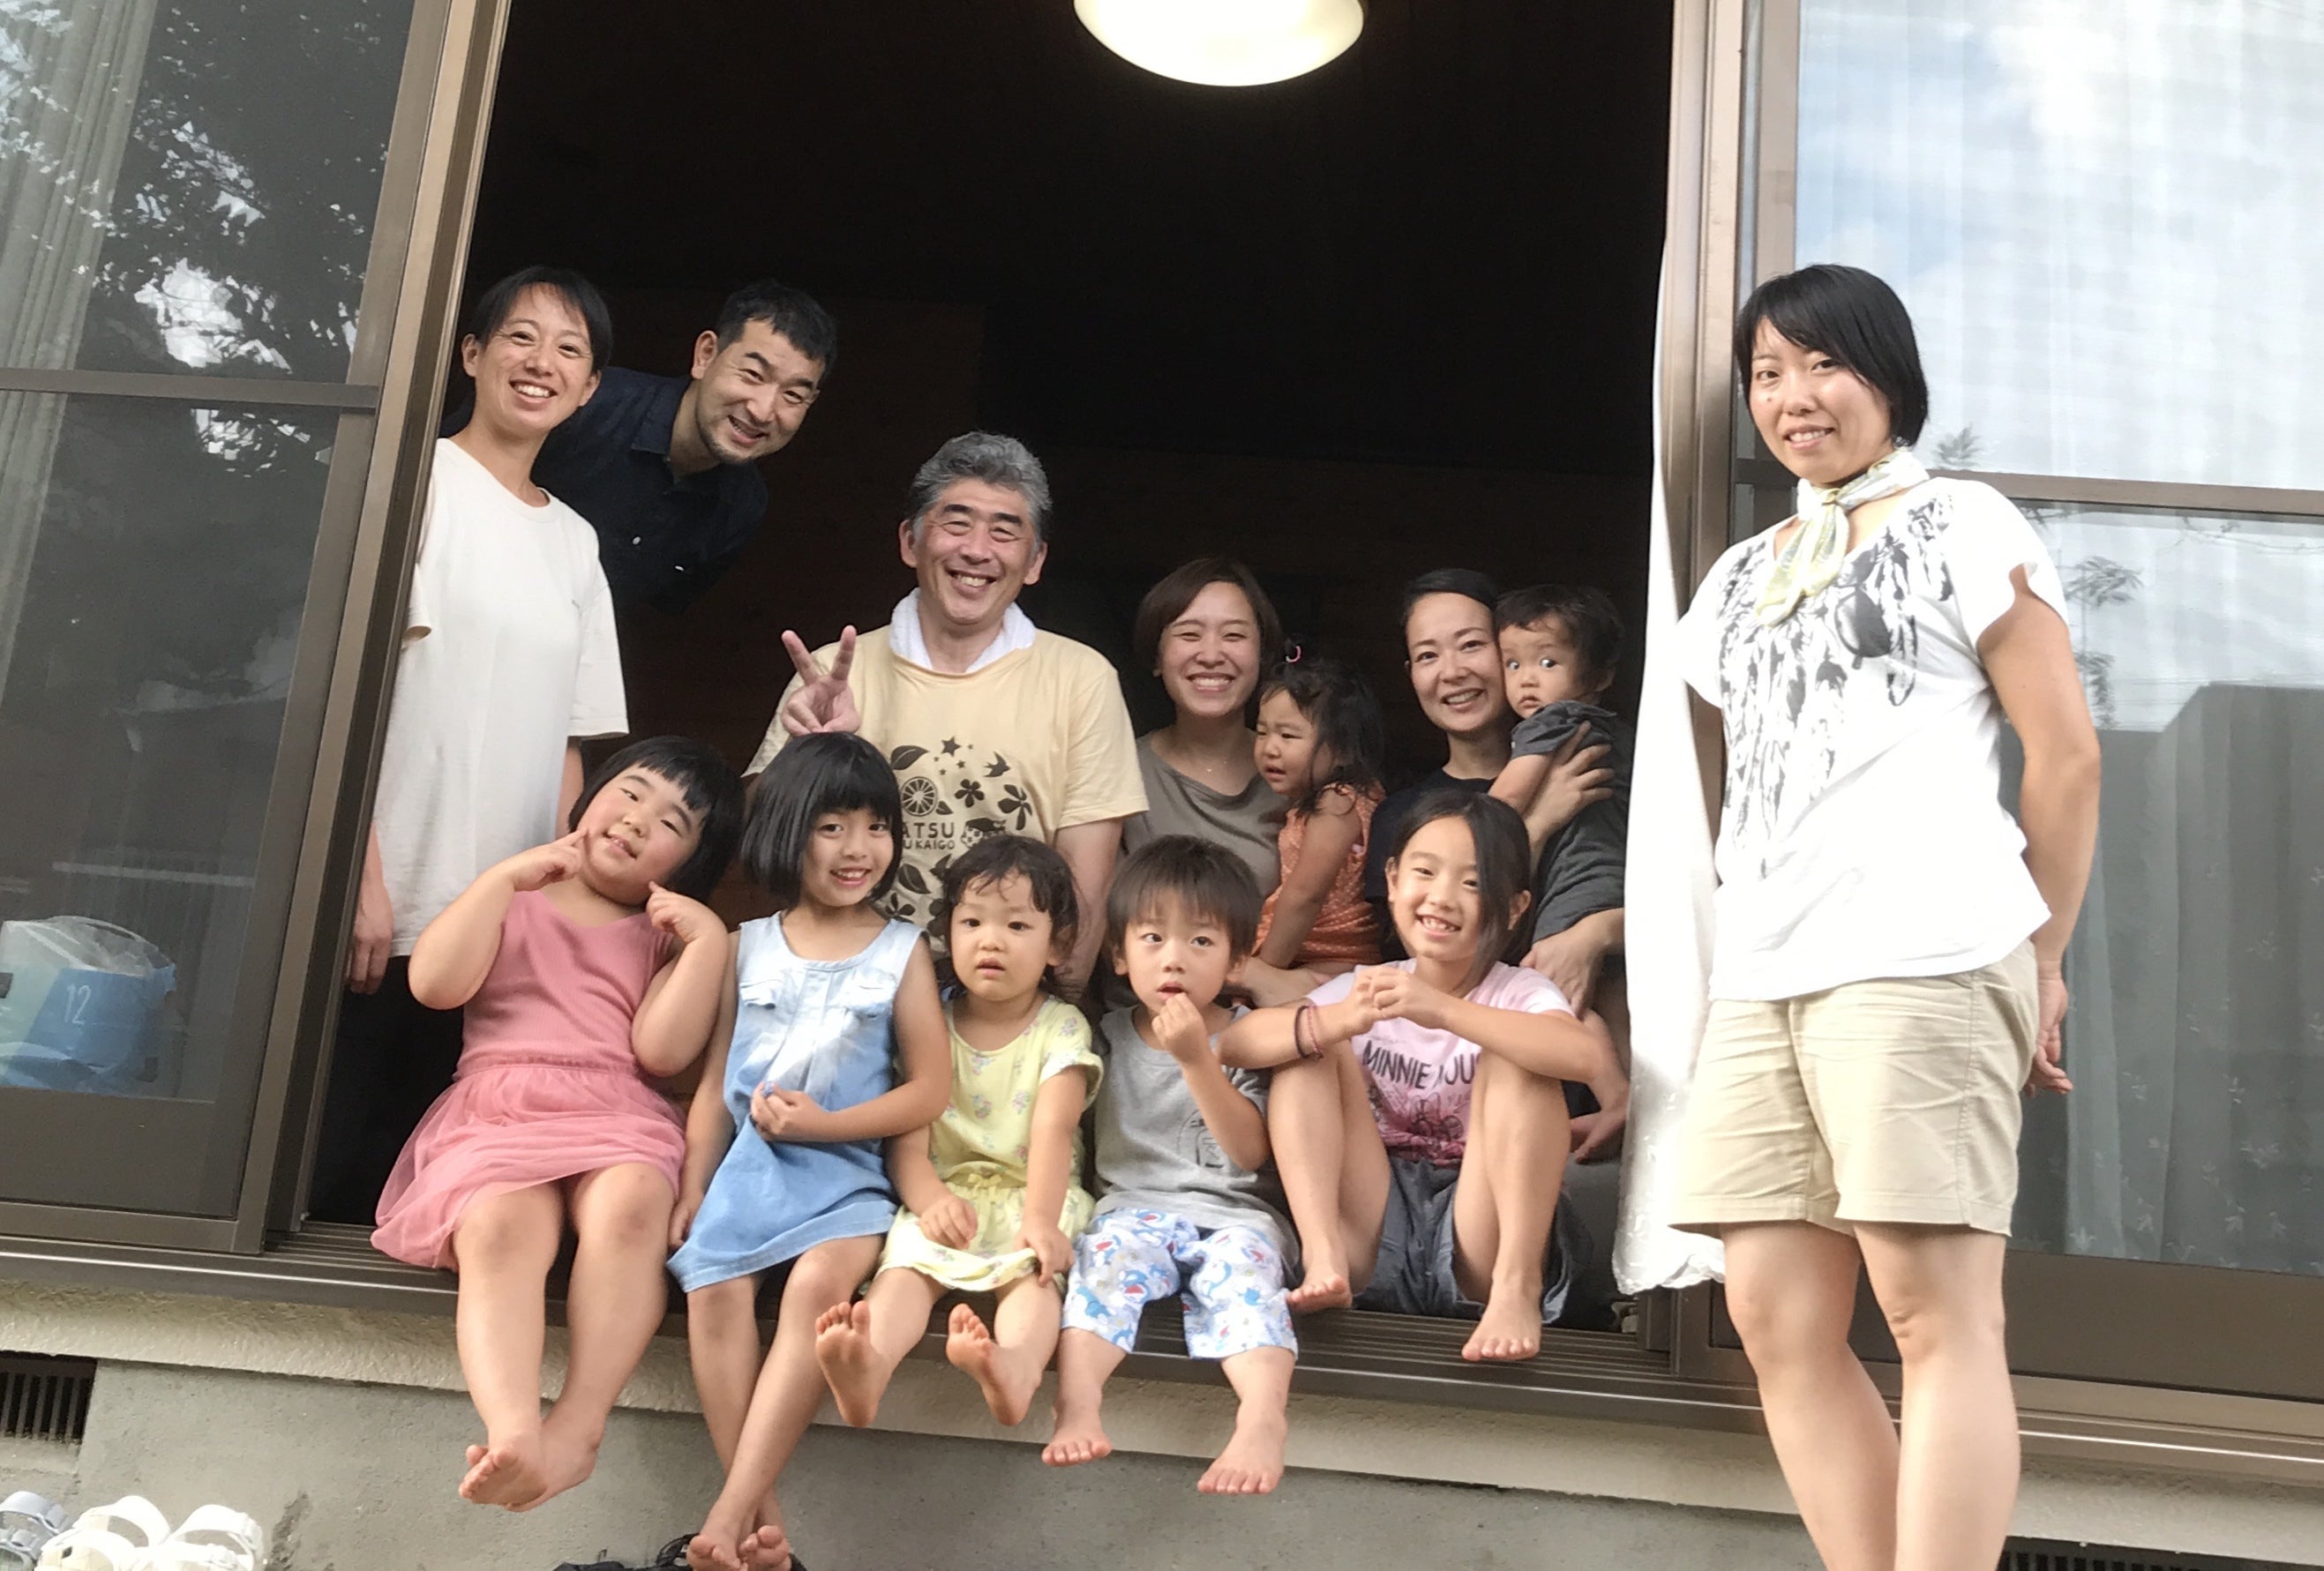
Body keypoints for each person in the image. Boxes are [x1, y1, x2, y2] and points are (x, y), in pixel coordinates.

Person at [1669, 263, 2099, 1571]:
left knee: (1933, 1313)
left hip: (1924, 954)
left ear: (1888, 377)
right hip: (1763, 974)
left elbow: (2064, 756)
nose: (1792, 396)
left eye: (1821, 364)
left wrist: (2043, 955)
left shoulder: (1964, 519)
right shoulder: (1739, 574)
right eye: (1766, 374)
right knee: (1773, 1315)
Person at [319, 266, 629, 1223]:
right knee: (332, 1149)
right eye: (521, 337)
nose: (541, 363)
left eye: (569, 350)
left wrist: (560, 913)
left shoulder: (575, 542)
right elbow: (344, 696)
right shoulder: (415, 484)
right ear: (472, 354)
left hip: (498, 919)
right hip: (390, 890)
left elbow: (572, 747)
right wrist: (362, 873)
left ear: (589, 388)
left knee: (437, 1165)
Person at [371, 737, 744, 1510]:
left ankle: (578, 1425)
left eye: (672, 823)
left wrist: (707, 941)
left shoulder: (664, 937)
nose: (638, 820)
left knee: (634, 1201)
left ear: (690, 865)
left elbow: (662, 1051)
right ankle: (513, 1432)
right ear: (591, 794)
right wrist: (503, 878)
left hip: (616, 1111)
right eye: (630, 792)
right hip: (500, 1109)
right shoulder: (515, 896)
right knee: (499, 1225)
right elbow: (434, 984)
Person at [668, 733, 950, 1571]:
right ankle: (761, 1521)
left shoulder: (901, 951)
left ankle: (725, 1514)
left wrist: (827, 1125)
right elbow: (714, 1082)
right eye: (833, 826)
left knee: (819, 1290)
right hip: (749, 1176)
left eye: (876, 826)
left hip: (849, 1180)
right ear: (787, 831)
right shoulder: (746, 944)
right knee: (713, 1290)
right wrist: (693, 1186)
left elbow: (929, 1089)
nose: (858, 847)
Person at [1222, 792, 1615, 1364]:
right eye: (1425, 872)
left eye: (1472, 883)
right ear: (1392, 879)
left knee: (1519, 1055)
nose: (1441, 896)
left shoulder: (1518, 991)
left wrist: (1444, 1010)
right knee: (1309, 1046)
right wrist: (1337, 1020)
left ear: (1514, 907)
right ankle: (1323, 1255)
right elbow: (1236, 1043)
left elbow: (1583, 1056)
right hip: (1372, 1226)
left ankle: (1517, 1287)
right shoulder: (1370, 985)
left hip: (1478, 1232)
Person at [750, 432, 1144, 993]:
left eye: (1004, 531)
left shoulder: (1082, 679)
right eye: (956, 524)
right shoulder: (833, 673)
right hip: (847, 990)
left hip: (1006, 1003)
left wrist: (1053, 1014)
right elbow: (763, 844)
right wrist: (811, 757)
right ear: (910, 541)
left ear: (1035, 561)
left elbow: (1084, 886)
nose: (977, 551)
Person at [813, 835, 1102, 1431]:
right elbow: (907, 1141)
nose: (990, 940)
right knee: (905, 1267)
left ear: (1058, 944)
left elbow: (1053, 1129)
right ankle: (870, 1364)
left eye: (1017, 925)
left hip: (1034, 1193)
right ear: (948, 930)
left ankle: (1016, 1367)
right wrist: (930, 1201)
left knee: (1032, 1274)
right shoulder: (931, 1025)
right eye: (972, 922)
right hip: (947, 1193)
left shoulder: (1062, 1028)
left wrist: (1041, 1220)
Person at [1044, 836, 1297, 1496]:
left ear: (1236, 959)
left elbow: (1250, 1151)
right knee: (1102, 1265)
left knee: (1247, 1285)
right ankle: (1078, 1402)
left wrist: (1197, 1059)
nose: (1173, 958)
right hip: (1133, 1210)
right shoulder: (1105, 1037)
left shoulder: (1246, 1034)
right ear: (1119, 953)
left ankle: (1262, 1418)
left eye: (1201, 941)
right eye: (1152, 938)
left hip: (1235, 1215)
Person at [453, 278, 839, 615]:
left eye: (793, 395)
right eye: (753, 374)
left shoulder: (742, 506)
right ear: (706, 355)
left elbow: (655, 610)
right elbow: (448, 466)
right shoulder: (581, 405)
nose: (763, 410)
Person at [1486, 584, 1630, 1013]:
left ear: (1599, 677)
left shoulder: (1555, 719)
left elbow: (1503, 804)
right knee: (1612, 998)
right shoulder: (1618, 732)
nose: (1526, 679)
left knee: (1560, 999)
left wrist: (1465, 829)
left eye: (1547, 662)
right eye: (1513, 664)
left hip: (1574, 887)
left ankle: (1594, 1060)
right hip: (1621, 886)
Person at [1118, 558, 1288, 894]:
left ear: (1262, 655)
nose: (1211, 655)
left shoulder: (1298, 774)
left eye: (1234, 635)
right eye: (1189, 634)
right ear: (1157, 657)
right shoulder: (1121, 772)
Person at [1245, 655, 1387, 1003]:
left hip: (1337, 963)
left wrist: (1263, 972)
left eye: (1288, 735)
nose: (1270, 748)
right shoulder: (1325, 802)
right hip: (1313, 958)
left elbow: (1305, 894)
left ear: (1342, 750)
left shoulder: (1338, 802)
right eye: (1262, 732)